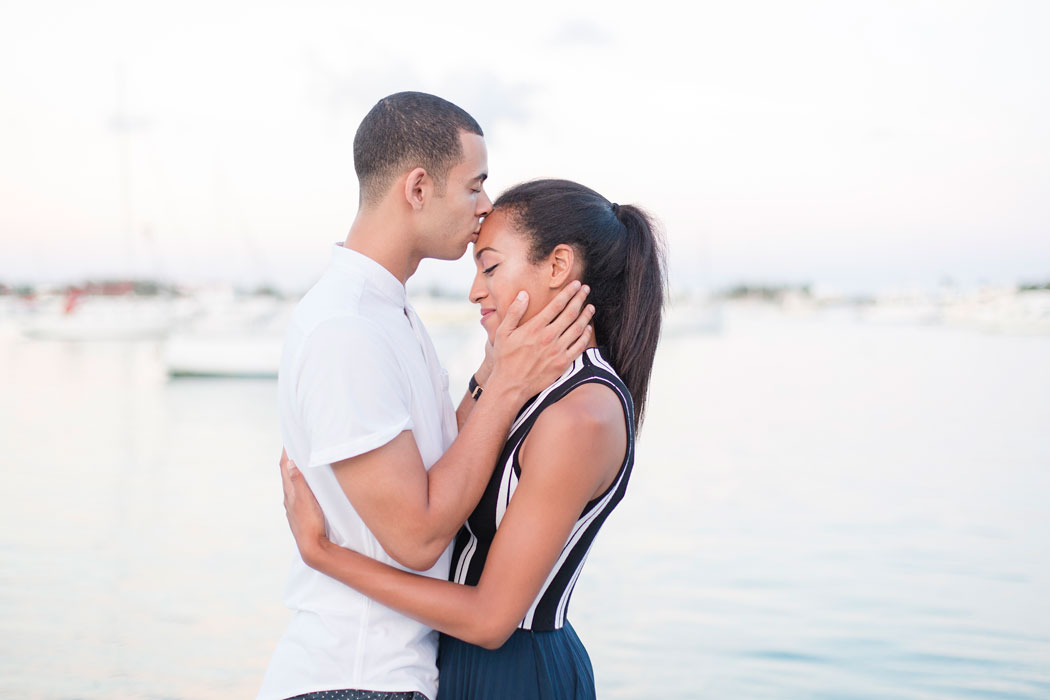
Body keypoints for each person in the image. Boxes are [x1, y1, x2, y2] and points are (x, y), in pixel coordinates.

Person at [258, 94, 594, 700]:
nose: (485, 207)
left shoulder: (388, 311)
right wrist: (509, 385)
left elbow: (440, 461)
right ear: (417, 189)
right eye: (474, 186)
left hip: (393, 675)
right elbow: (415, 539)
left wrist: (497, 370)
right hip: (354, 678)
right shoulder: (346, 328)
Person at [279, 178, 666, 700]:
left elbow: (490, 618)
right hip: (457, 661)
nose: (475, 290)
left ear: (557, 266)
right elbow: (448, 463)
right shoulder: (525, 384)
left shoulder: (581, 416)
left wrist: (324, 554)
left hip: (512, 673)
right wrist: (494, 371)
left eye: (490, 267)